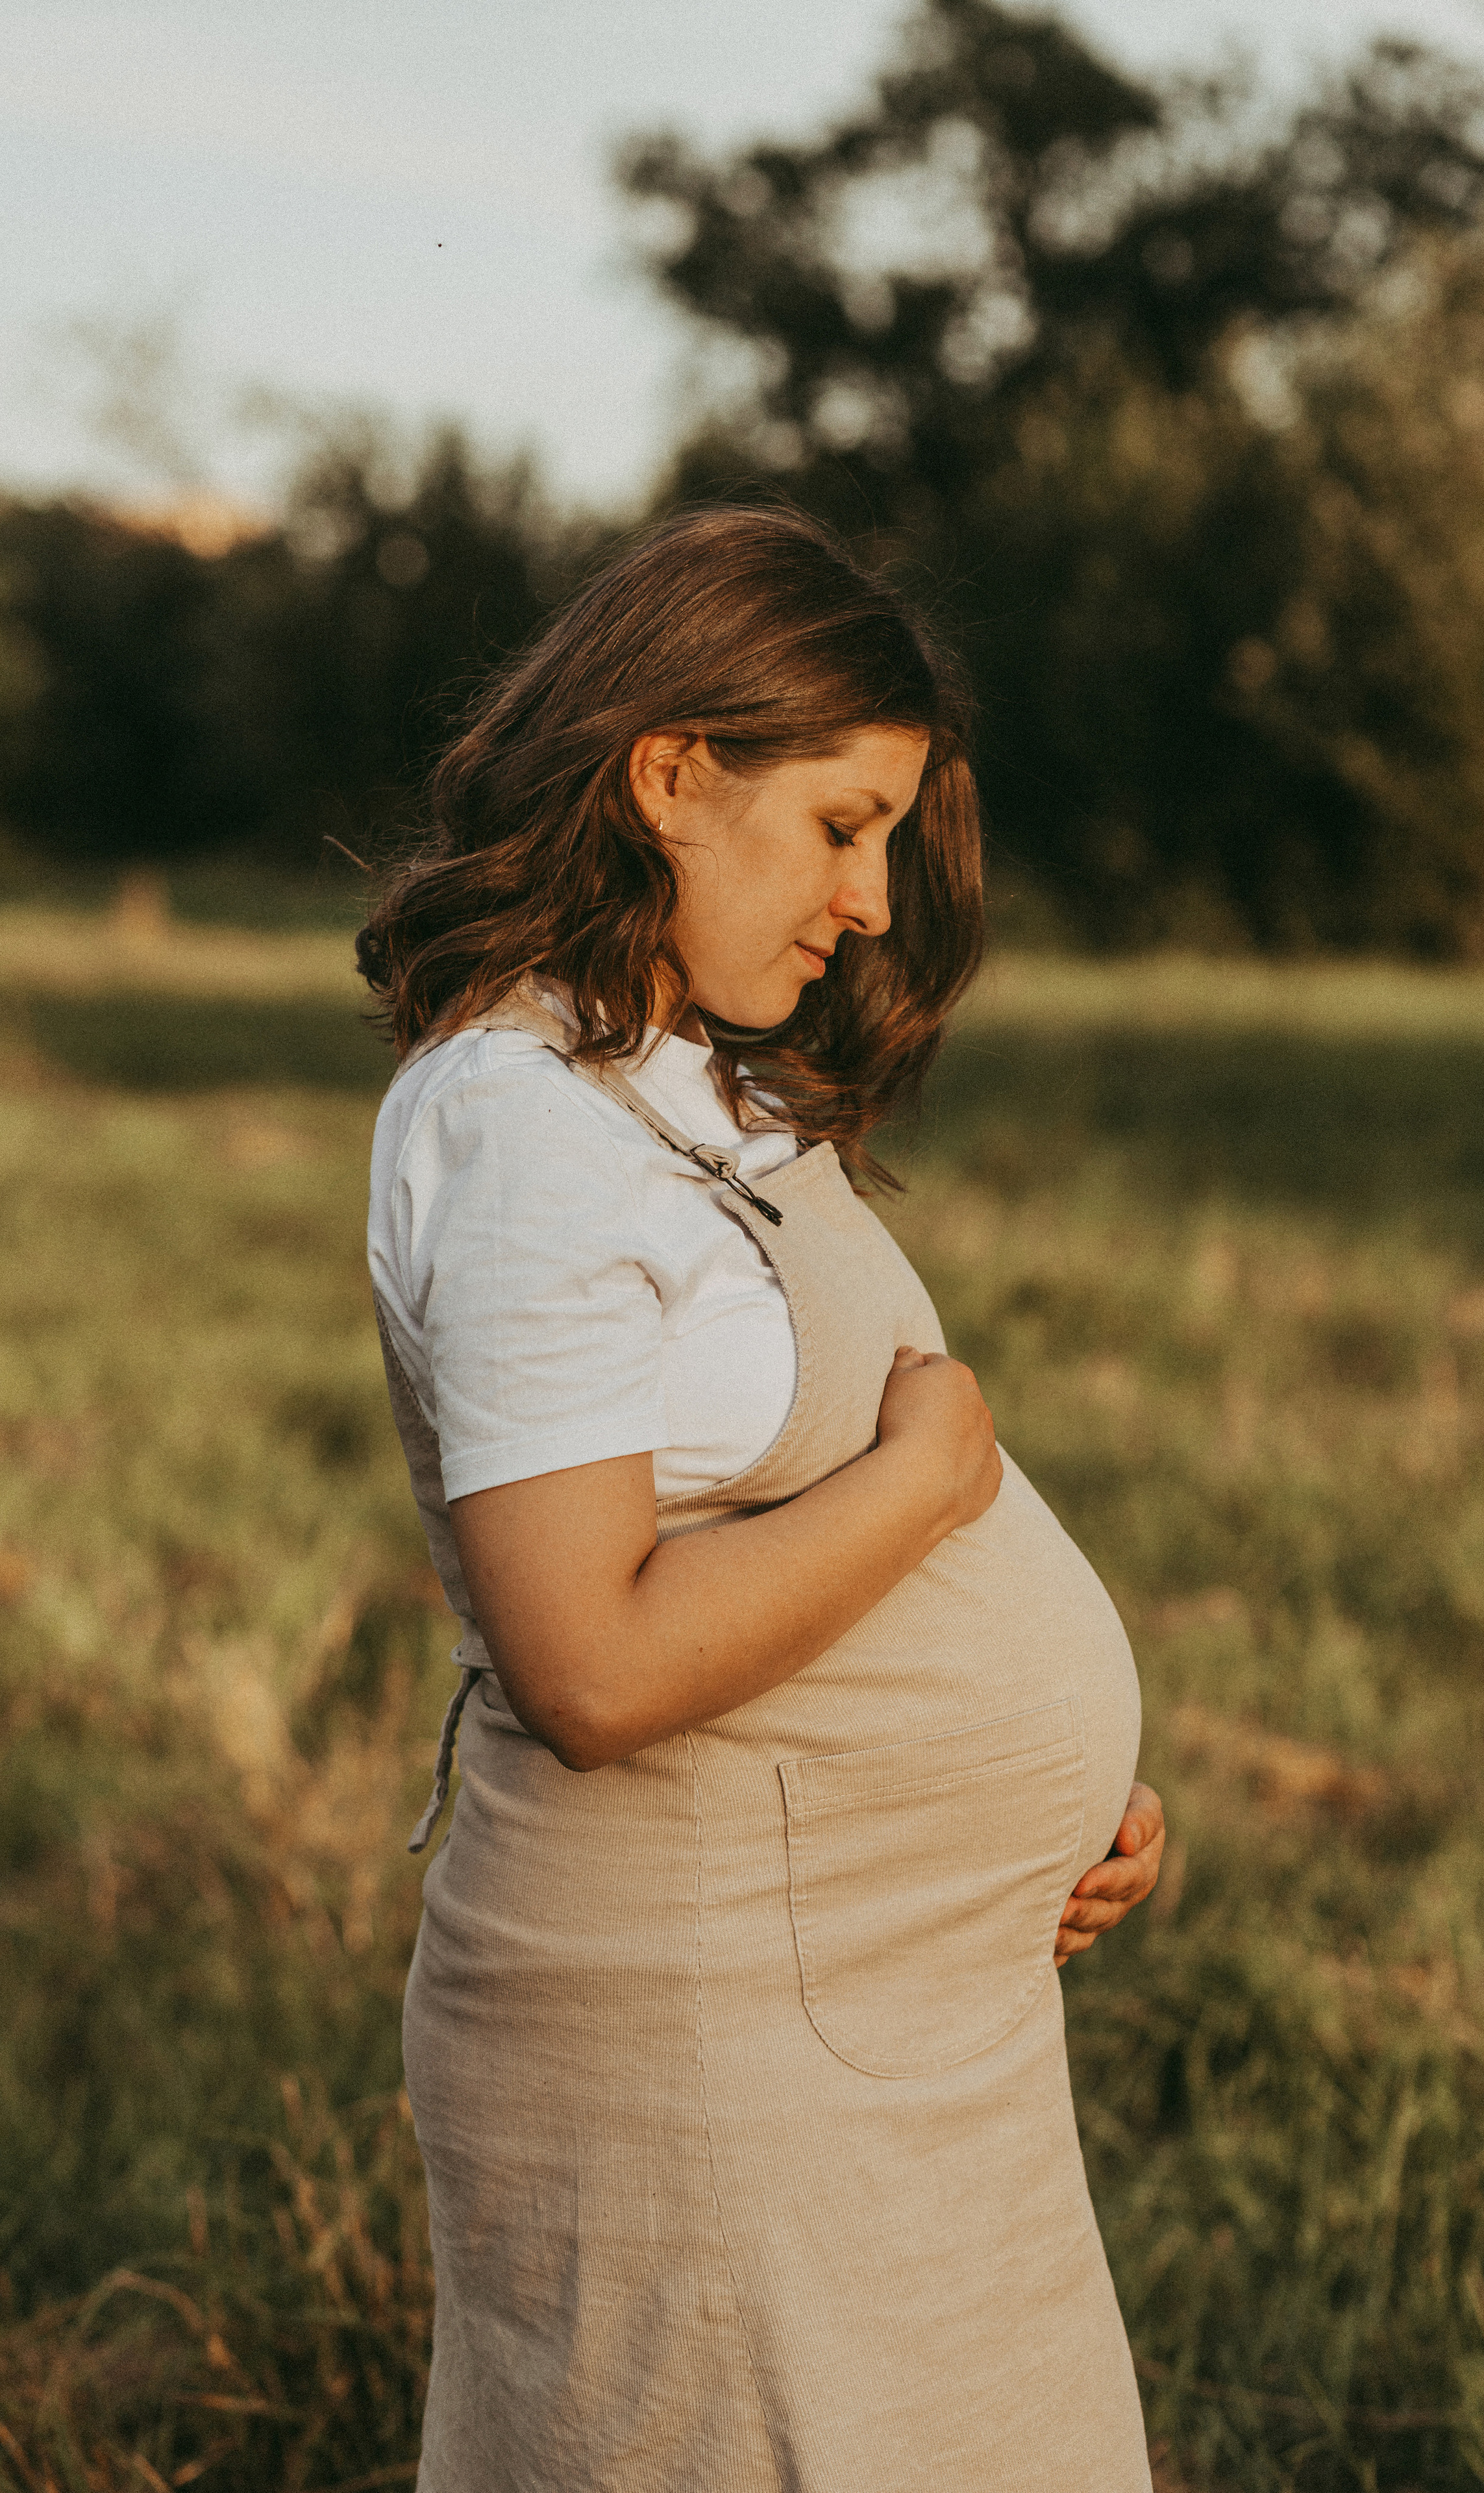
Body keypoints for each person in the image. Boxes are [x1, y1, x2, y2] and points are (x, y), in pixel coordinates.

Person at [360, 506, 1165, 2493]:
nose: (870, 900)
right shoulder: (522, 1125)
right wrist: (930, 1484)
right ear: (666, 775)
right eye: (840, 824)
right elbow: (593, 1663)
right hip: (704, 2063)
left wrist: (1022, 1828)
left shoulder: (685, 1084)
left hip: (872, 2011)